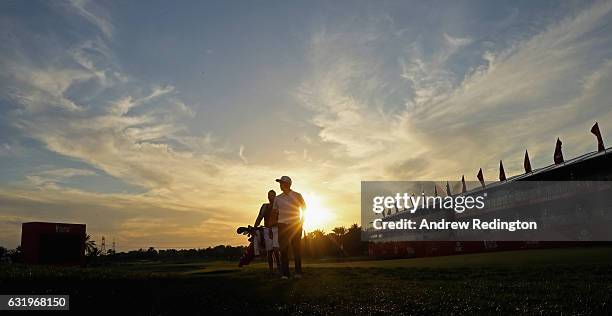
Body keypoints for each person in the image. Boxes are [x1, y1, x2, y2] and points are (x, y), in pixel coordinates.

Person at [273, 176, 306, 279]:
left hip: (295, 225)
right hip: (282, 226)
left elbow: (304, 208)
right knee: (283, 250)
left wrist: (302, 222)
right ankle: (285, 274)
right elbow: (274, 213)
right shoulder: (277, 198)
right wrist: (273, 226)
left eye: (281, 183)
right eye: (279, 183)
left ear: (287, 184)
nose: (280, 185)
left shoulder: (297, 195)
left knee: (296, 249)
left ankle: (298, 273)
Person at [254, 190, 280, 274]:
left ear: (275, 197)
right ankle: (271, 270)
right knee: (269, 251)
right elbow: (260, 217)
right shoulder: (265, 206)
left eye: (272, 195)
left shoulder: (278, 206)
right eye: (269, 195)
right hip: (266, 229)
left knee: (276, 250)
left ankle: (280, 268)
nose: (270, 197)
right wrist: (254, 227)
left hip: (276, 229)